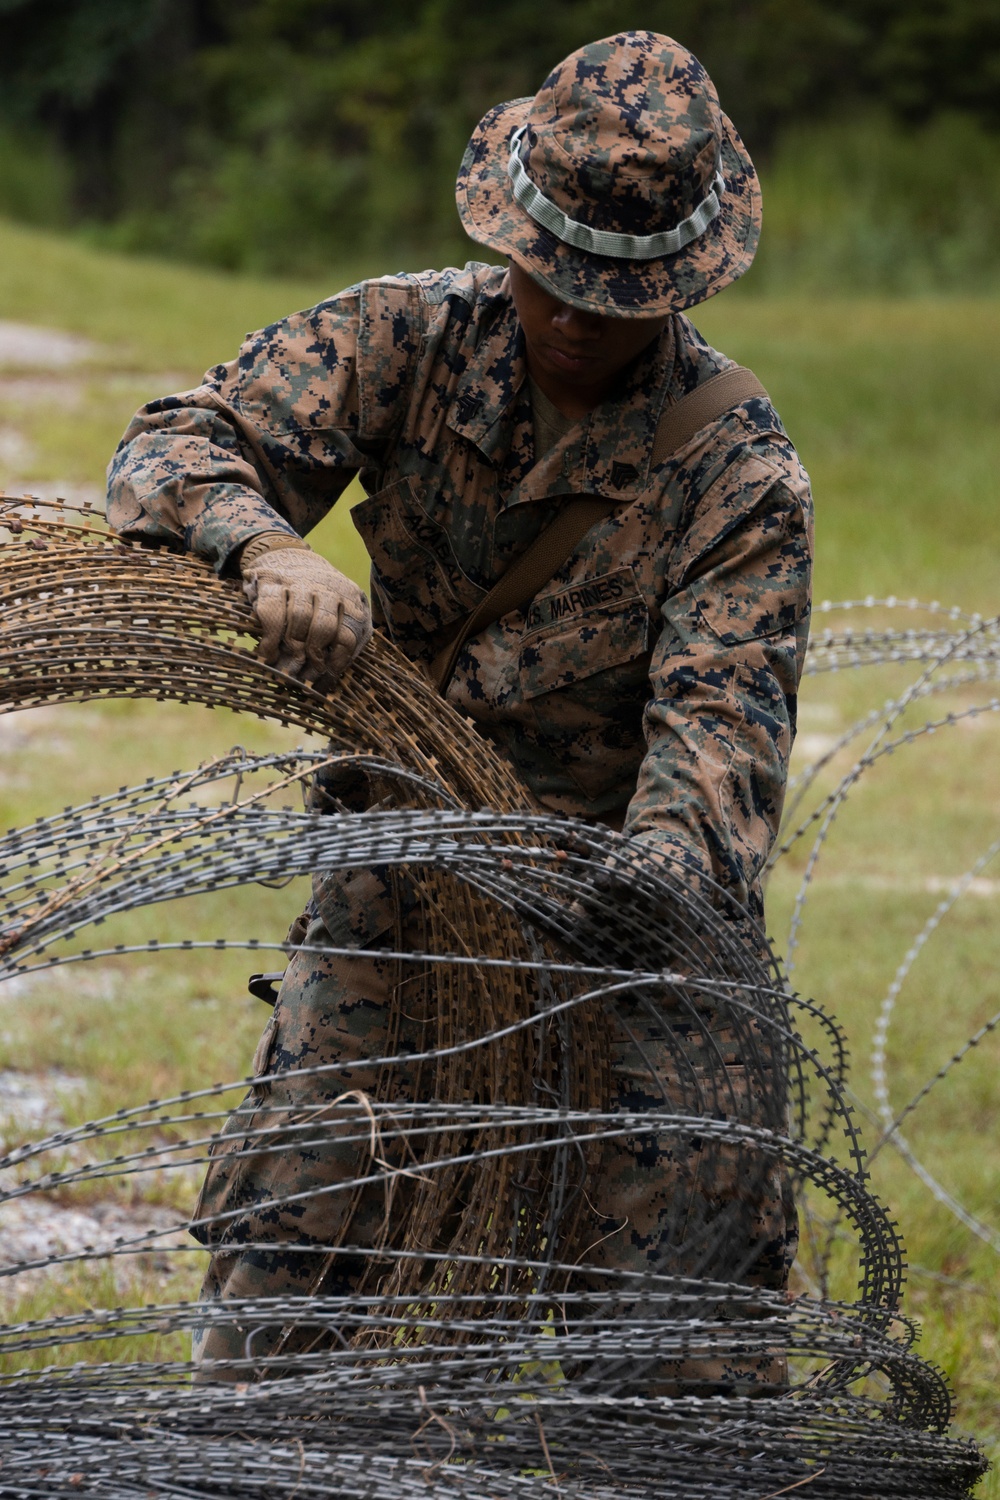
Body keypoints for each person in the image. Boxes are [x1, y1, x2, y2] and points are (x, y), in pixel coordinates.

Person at [107, 31, 811, 1386]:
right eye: (555, 273)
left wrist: (631, 875)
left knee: (680, 1344)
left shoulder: (738, 474)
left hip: (624, 916)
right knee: (291, 1286)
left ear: (675, 281)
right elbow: (171, 444)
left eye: (616, 292)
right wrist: (270, 548)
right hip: (406, 876)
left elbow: (719, 752)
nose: (573, 313)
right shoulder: (403, 338)